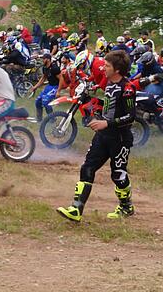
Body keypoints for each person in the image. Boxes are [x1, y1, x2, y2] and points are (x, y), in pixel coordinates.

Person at [56, 50, 137, 222]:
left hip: (120, 139)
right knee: (87, 167)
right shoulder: (108, 84)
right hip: (103, 135)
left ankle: (126, 206)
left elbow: (131, 116)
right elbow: (109, 108)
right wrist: (96, 114)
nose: (103, 67)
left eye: (107, 66)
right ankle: (76, 209)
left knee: (118, 174)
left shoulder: (128, 88)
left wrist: (107, 123)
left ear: (117, 69)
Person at [30, 51, 61, 121]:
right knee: (38, 101)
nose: (42, 60)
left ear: (48, 59)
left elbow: (61, 79)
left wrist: (58, 91)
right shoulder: (45, 68)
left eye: (43, 59)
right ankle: (39, 119)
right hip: (49, 86)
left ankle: (52, 119)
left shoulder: (54, 68)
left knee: (46, 102)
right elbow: (43, 78)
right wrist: (35, 87)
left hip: (55, 86)